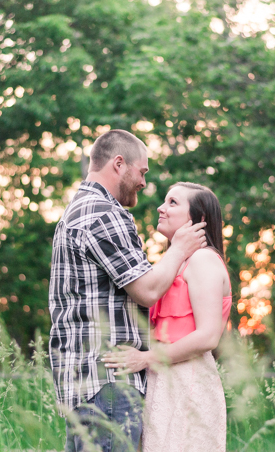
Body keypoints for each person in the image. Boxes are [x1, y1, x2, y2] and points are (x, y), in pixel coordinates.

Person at [49, 129, 208, 452]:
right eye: (142, 171)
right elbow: (148, 290)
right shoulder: (103, 213)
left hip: (87, 382)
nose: (144, 183)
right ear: (119, 164)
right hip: (109, 382)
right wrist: (177, 249)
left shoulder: (78, 210)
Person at [103, 182, 232, 452]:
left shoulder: (203, 261)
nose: (161, 208)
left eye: (173, 203)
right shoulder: (176, 264)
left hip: (189, 379)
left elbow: (208, 336)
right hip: (163, 378)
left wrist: (145, 359)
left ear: (199, 219)